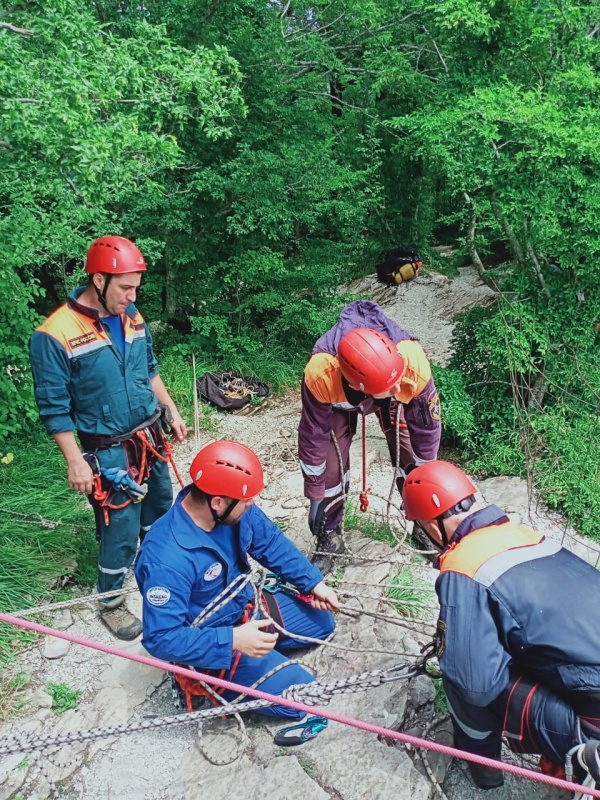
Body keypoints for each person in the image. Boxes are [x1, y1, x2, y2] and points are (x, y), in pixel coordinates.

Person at [401, 460, 600, 790]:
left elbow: (475, 683)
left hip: (592, 721)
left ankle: (484, 767)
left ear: (432, 528)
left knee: (458, 676)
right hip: (586, 682)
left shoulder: (463, 563)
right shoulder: (528, 535)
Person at [30, 235, 186, 640]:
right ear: (98, 280)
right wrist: (74, 460)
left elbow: (149, 370)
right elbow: (54, 407)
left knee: (160, 510)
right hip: (108, 449)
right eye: (125, 287)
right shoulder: (54, 333)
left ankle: (161, 573)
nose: (133, 296)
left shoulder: (131, 315)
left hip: (148, 437)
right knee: (119, 524)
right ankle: (112, 602)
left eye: (136, 287)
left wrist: (170, 408)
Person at [135, 440, 338, 720]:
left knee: (322, 622)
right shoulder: (166, 559)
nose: (251, 505)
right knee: (303, 698)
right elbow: (160, 638)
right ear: (217, 502)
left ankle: (260, 652)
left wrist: (313, 583)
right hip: (214, 637)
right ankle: (223, 677)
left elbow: (270, 542)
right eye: (246, 502)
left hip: (243, 608)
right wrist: (232, 640)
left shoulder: (231, 508)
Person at [298, 300, 441, 574]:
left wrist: (427, 480)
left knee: (411, 453)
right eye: (393, 386)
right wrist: (315, 495)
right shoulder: (321, 374)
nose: (400, 387)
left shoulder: (411, 366)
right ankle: (330, 534)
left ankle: (423, 525)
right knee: (329, 462)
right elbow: (312, 435)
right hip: (343, 397)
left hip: (384, 393)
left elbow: (426, 429)